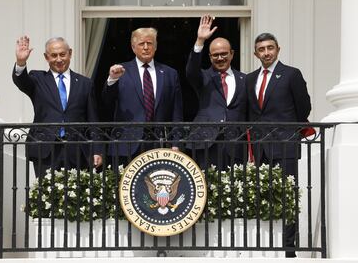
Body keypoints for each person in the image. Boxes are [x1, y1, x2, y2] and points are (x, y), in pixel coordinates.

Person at [246, 32, 312, 258]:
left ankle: (288, 248)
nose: (266, 52)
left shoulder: (291, 74)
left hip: (285, 144)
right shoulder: (249, 78)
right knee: (261, 194)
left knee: (287, 195)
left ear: (278, 49)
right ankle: (263, 245)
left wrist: (289, 132)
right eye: (262, 49)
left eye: (270, 48)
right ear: (256, 53)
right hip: (259, 146)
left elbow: (304, 108)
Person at [12, 36, 102, 177]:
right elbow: (21, 81)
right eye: (53, 55)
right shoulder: (38, 79)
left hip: (77, 149)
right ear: (46, 57)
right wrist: (21, 62)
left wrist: (97, 149)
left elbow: (93, 120)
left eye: (62, 54)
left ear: (70, 53)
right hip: (46, 149)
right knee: (46, 195)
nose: (59, 59)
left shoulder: (85, 83)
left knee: (77, 196)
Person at [102, 27, 183, 161]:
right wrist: (112, 80)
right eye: (141, 44)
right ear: (133, 47)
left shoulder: (170, 74)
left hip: (159, 144)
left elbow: (176, 112)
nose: (146, 47)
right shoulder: (120, 71)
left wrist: (176, 143)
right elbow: (106, 102)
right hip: (127, 145)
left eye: (149, 43)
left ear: (155, 47)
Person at [185, 15, 247, 171]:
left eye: (224, 54)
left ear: (232, 54)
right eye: (215, 55)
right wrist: (200, 41)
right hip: (205, 142)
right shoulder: (203, 77)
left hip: (236, 144)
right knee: (206, 189)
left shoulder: (245, 79)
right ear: (210, 57)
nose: (220, 58)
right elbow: (191, 70)